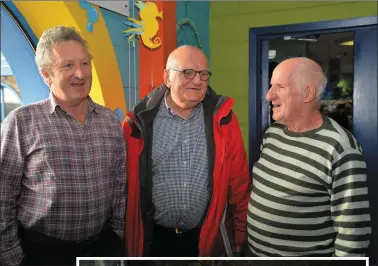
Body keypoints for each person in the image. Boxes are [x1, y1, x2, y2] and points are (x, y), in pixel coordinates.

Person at [0, 26, 126, 265]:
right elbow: (2, 198)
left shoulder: (110, 121)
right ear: (46, 74)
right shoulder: (21, 122)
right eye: (67, 66)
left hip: (100, 249)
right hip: (41, 252)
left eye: (85, 63)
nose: (80, 73)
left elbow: (119, 186)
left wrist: (117, 236)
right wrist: (11, 257)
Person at [122, 45, 251, 257]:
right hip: (153, 244)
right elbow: (123, 192)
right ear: (167, 77)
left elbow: (239, 186)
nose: (198, 81)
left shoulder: (224, 120)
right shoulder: (137, 125)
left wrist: (241, 239)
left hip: (207, 242)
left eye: (203, 74)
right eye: (188, 73)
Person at [246, 57, 371, 256]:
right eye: (271, 86)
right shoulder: (272, 133)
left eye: (280, 87)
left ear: (308, 93)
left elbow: (353, 235)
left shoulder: (340, 147)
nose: (269, 96)